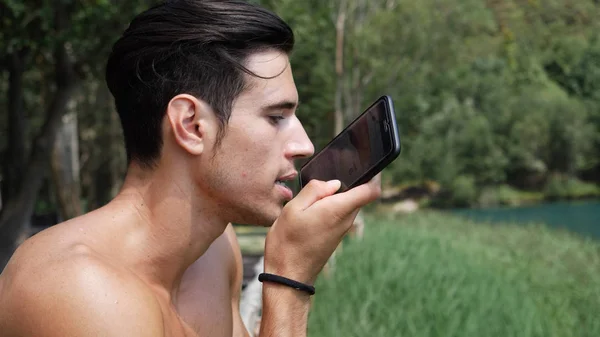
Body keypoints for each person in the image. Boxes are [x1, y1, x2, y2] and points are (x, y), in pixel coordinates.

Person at [0, 1, 381, 336]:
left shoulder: (215, 250)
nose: (305, 146)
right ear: (192, 125)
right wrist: (289, 280)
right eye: (276, 117)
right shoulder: (78, 292)